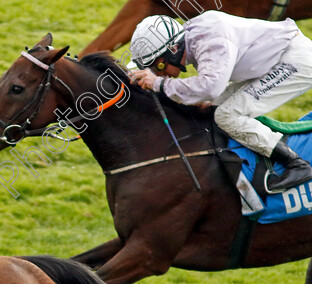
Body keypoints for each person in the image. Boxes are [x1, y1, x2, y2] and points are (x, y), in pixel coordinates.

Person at [128, 11, 312, 193]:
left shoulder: (211, 42)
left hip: (294, 61)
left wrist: (160, 84)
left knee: (227, 115)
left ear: (173, 50)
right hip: (272, 60)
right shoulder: (196, 37)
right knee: (211, 106)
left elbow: (209, 87)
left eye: (157, 66)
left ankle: (296, 164)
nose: (158, 73)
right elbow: (209, 94)